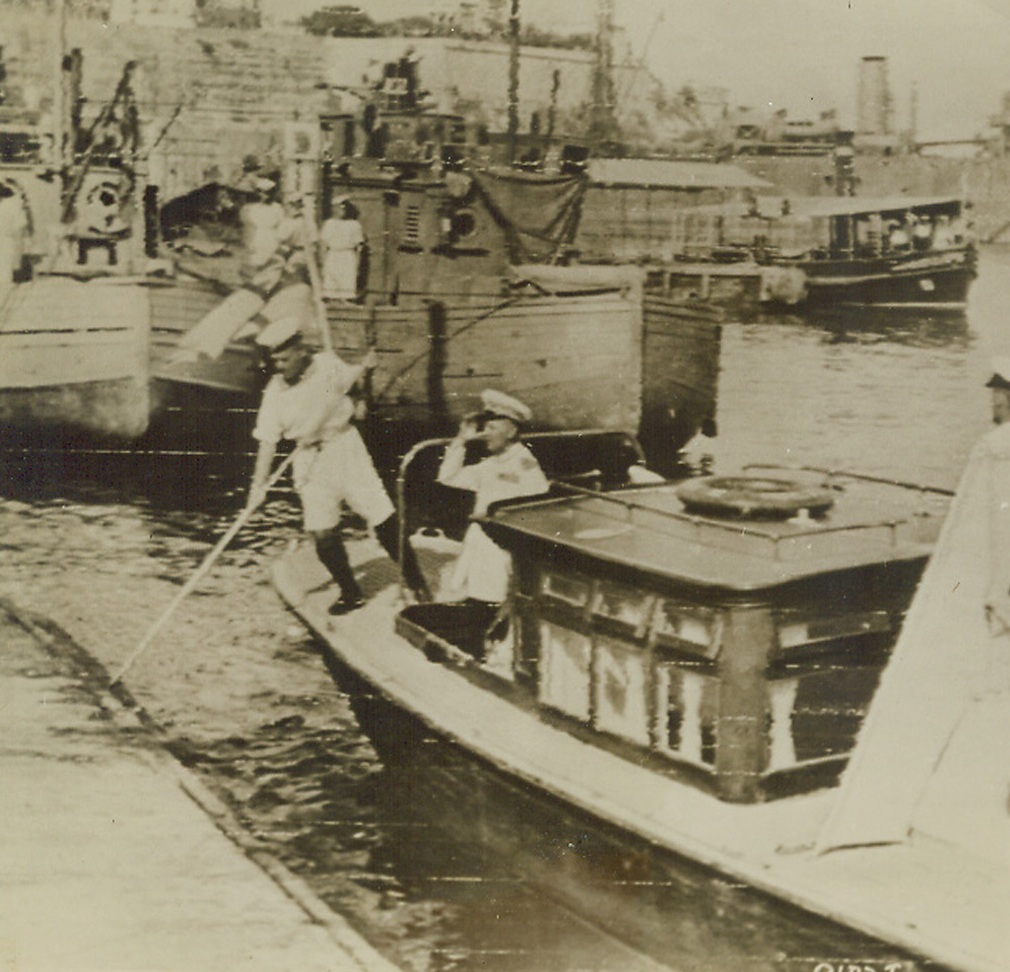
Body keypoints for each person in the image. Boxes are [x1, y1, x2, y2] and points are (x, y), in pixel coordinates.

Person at [248, 316, 429, 614]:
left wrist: (364, 375)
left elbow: (350, 383)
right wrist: (258, 486)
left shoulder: (328, 364)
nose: (279, 366)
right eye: (275, 360)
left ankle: (415, 579)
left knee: (382, 517)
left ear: (302, 352)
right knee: (322, 534)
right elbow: (267, 440)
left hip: (345, 447)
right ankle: (351, 592)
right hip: (309, 460)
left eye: (284, 359)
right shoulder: (275, 394)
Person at [436, 390, 549, 638]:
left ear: (511, 431)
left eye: (492, 426)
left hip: (501, 551)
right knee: (476, 600)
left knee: (488, 604)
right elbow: (448, 476)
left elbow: (538, 503)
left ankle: (484, 643)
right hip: (480, 547)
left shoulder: (525, 464)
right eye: (484, 427)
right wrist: (461, 441)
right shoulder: (490, 465)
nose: (485, 433)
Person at [171, 175, 313, 363]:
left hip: (276, 274)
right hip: (266, 269)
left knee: (248, 306)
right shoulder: (256, 216)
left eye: (297, 205)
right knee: (239, 305)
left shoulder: (290, 224)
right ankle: (201, 345)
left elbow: (292, 251)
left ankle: (208, 347)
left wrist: (281, 265)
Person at [320, 196, 364, 301]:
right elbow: (323, 245)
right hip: (333, 255)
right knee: (330, 284)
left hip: (348, 256)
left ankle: (345, 303)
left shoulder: (354, 225)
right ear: (334, 209)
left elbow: (359, 247)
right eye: (339, 208)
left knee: (347, 283)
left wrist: (358, 264)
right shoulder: (329, 224)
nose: (341, 211)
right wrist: (323, 263)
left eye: (344, 208)